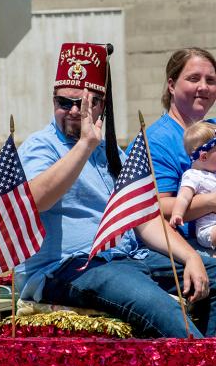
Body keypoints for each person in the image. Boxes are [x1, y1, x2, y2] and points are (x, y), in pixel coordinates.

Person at [14, 42, 216, 338]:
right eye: (64, 102)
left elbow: (145, 217)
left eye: (86, 103)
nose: (74, 111)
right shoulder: (40, 146)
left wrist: (191, 257)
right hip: (68, 267)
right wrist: (84, 146)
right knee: (160, 308)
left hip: (126, 258)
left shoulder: (112, 152)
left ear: (101, 105)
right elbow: (37, 200)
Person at [130, 48, 216, 247]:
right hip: (182, 249)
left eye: (210, 81)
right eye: (194, 79)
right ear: (171, 85)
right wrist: (212, 201)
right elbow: (153, 206)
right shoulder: (157, 140)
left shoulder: (212, 128)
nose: (203, 87)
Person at [170, 121, 216, 249]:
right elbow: (184, 197)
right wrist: (177, 214)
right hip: (208, 229)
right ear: (204, 157)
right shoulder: (193, 175)